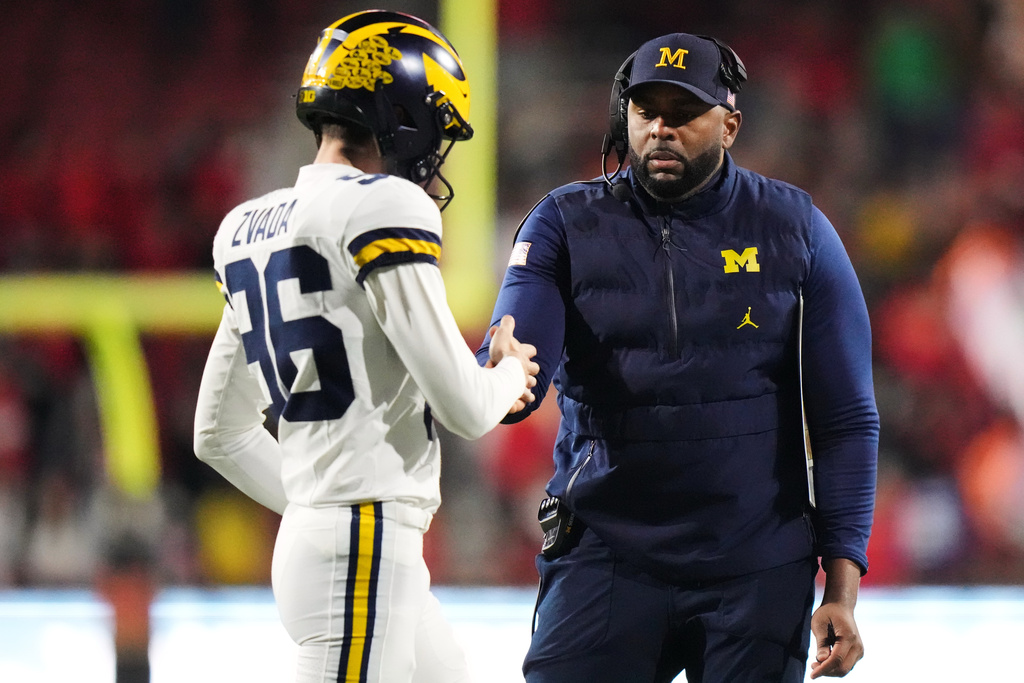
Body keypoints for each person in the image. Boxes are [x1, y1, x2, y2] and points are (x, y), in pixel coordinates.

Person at [476, 32, 879, 682]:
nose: (660, 127)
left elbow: (846, 420)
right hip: (606, 555)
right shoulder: (562, 225)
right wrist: (499, 379)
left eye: (683, 111)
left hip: (755, 568)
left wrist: (842, 586)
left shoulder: (795, 230)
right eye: (645, 110)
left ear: (730, 123)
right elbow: (516, 365)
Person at [193, 10, 539, 683]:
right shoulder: (384, 207)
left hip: (340, 541)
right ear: (401, 116)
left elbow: (219, 432)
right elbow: (466, 408)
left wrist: (314, 503)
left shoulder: (245, 226)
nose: (435, 154)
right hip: (360, 545)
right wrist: (509, 372)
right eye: (434, 129)